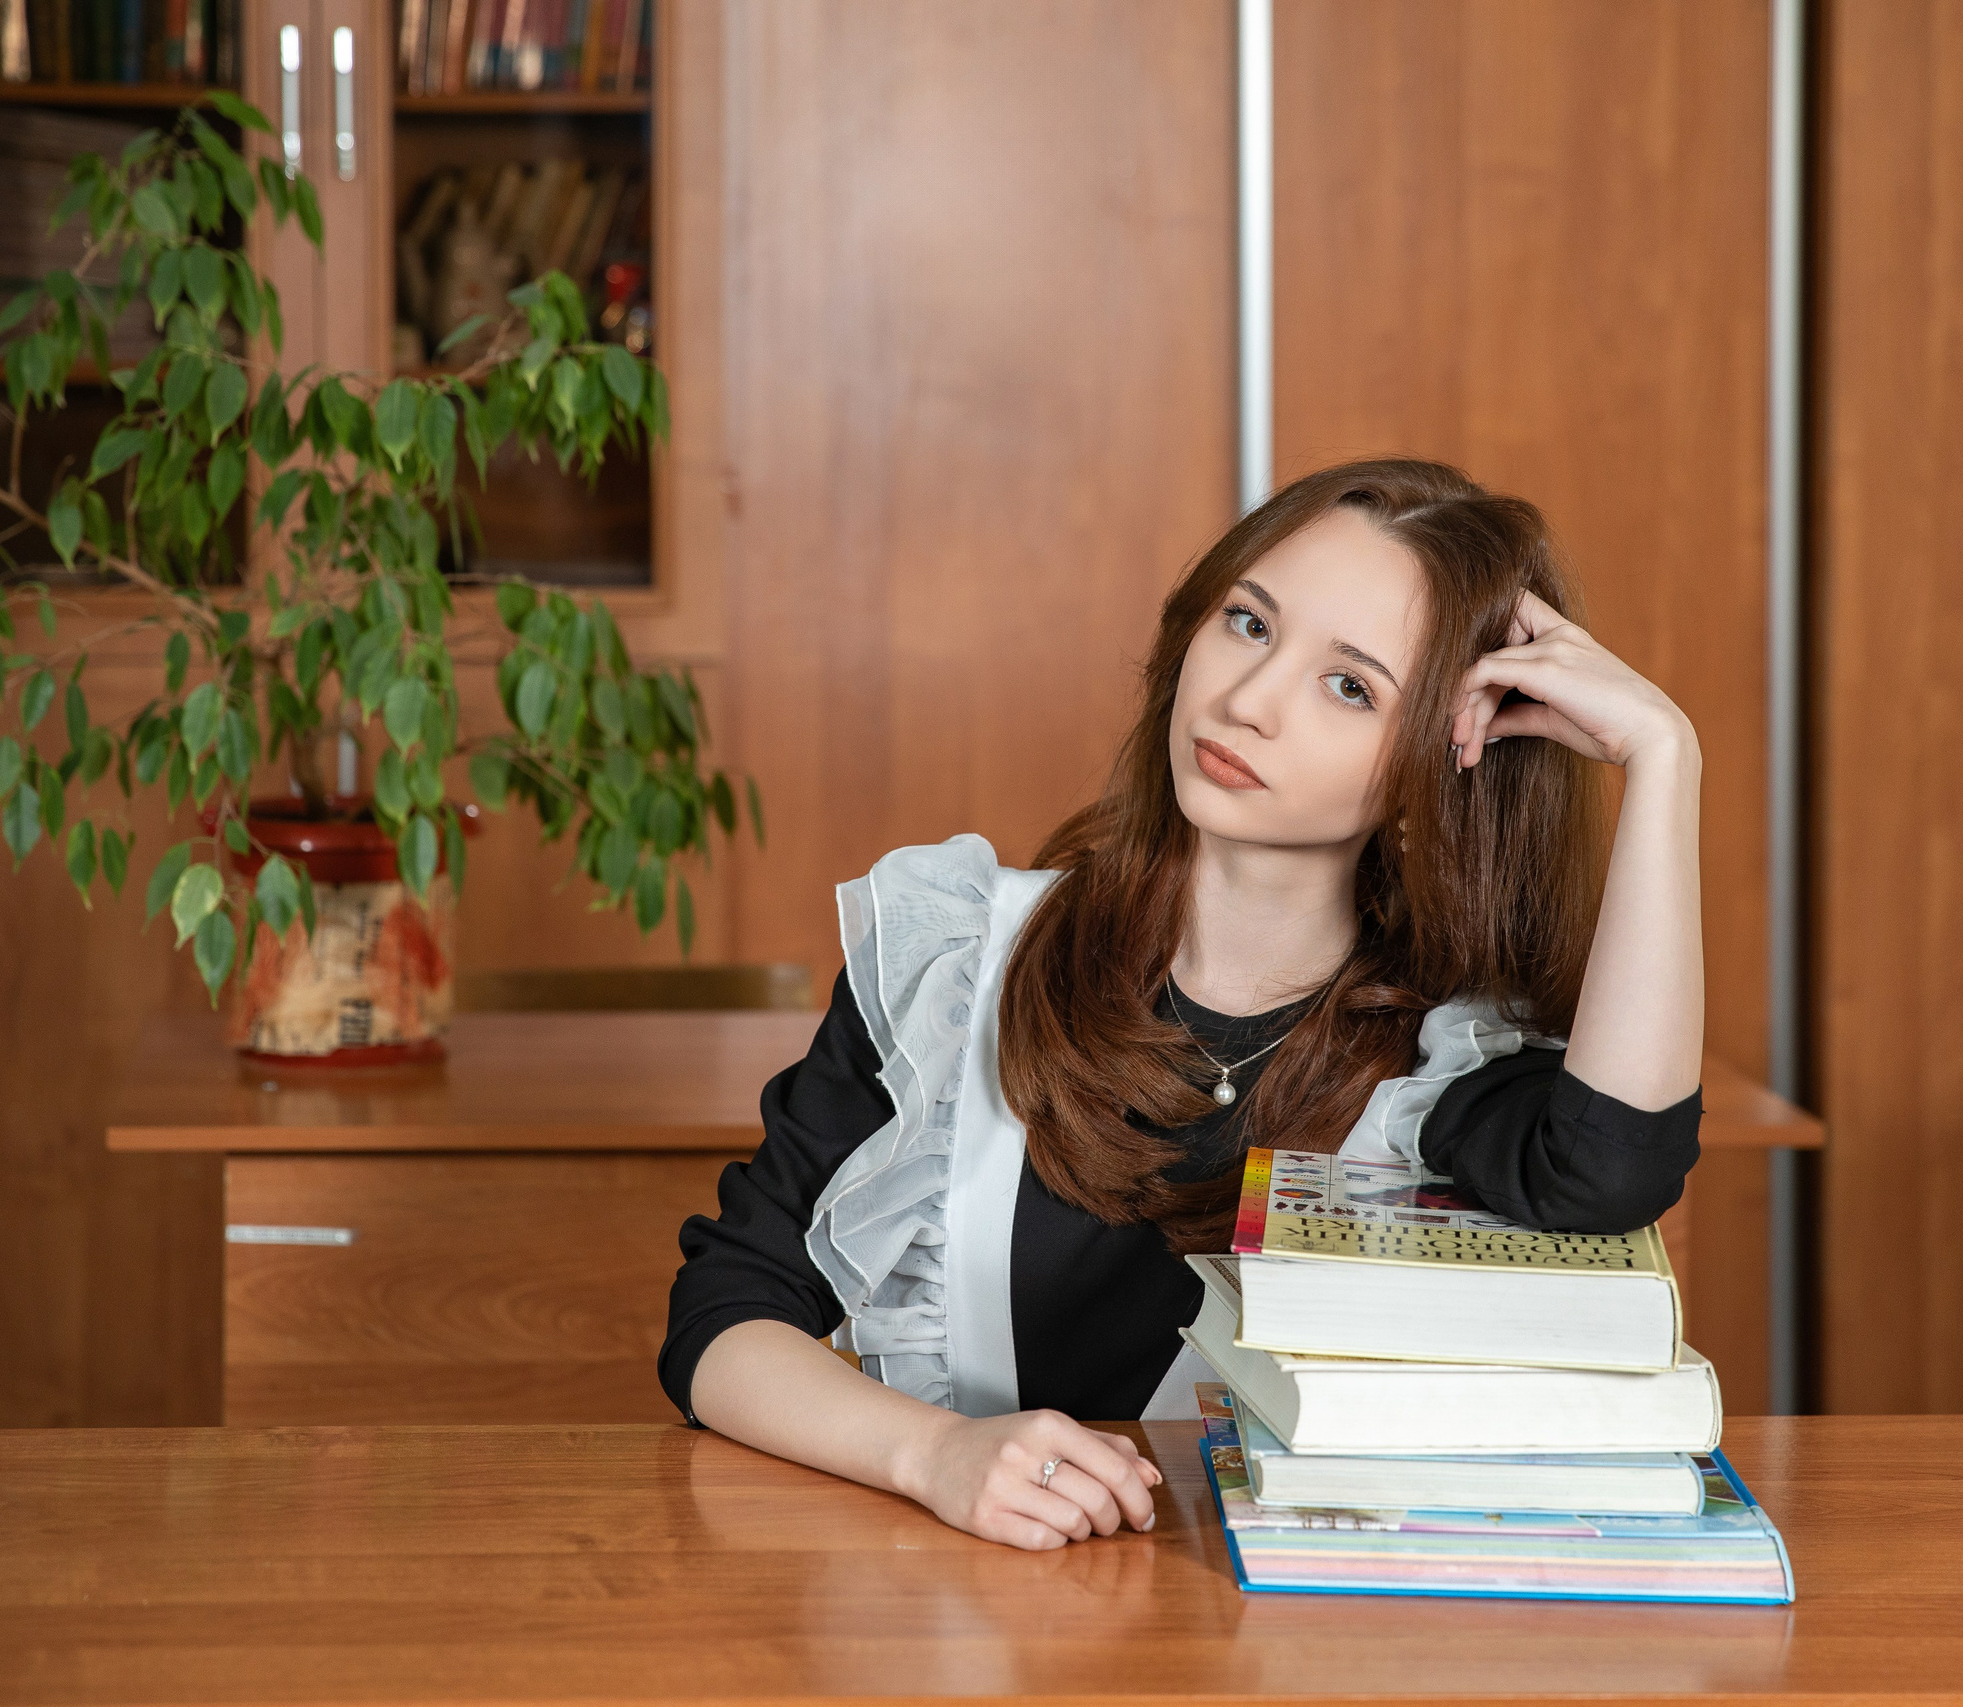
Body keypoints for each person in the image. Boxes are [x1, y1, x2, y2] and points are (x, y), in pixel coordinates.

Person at [660, 458, 1706, 1552]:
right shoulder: (964, 954)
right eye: (1248, 625)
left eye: (1349, 686)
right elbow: (723, 1318)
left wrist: (1661, 759)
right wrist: (931, 1455)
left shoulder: (1446, 1054)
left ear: (1446, 759)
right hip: (971, 1615)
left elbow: (1607, 1175)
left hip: (1278, 1646)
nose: (1246, 701)